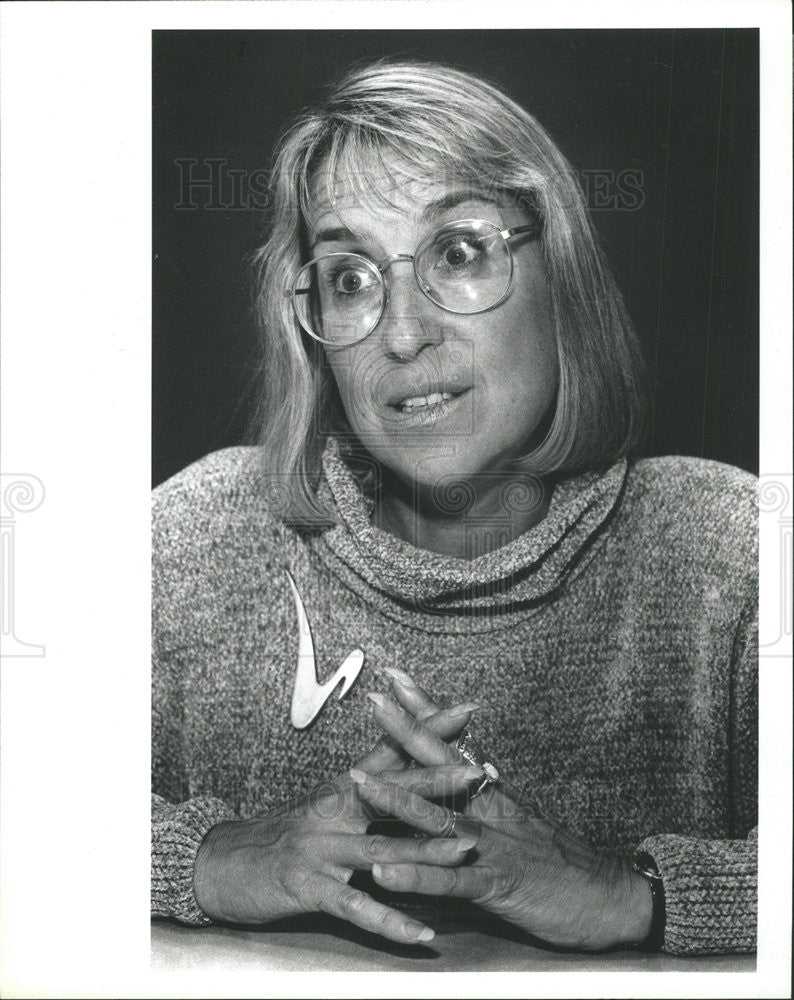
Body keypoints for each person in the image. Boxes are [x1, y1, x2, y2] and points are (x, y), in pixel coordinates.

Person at [151, 59, 757, 956]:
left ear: (567, 279)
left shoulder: (736, 552)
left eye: (461, 253)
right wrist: (208, 855)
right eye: (350, 277)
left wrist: (633, 893)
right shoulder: (196, 534)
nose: (401, 333)